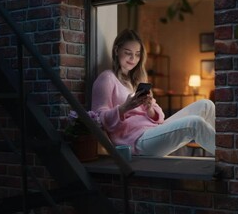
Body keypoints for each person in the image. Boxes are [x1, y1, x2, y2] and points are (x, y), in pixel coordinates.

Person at [91, 29, 215, 157]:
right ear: (116, 51)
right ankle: (229, 158)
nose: (133, 59)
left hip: (153, 130)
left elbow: (160, 117)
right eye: (128, 53)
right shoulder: (107, 78)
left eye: (137, 54)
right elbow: (98, 118)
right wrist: (124, 108)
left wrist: (150, 108)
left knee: (207, 105)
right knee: (195, 123)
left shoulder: (138, 81)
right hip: (136, 140)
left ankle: (223, 151)